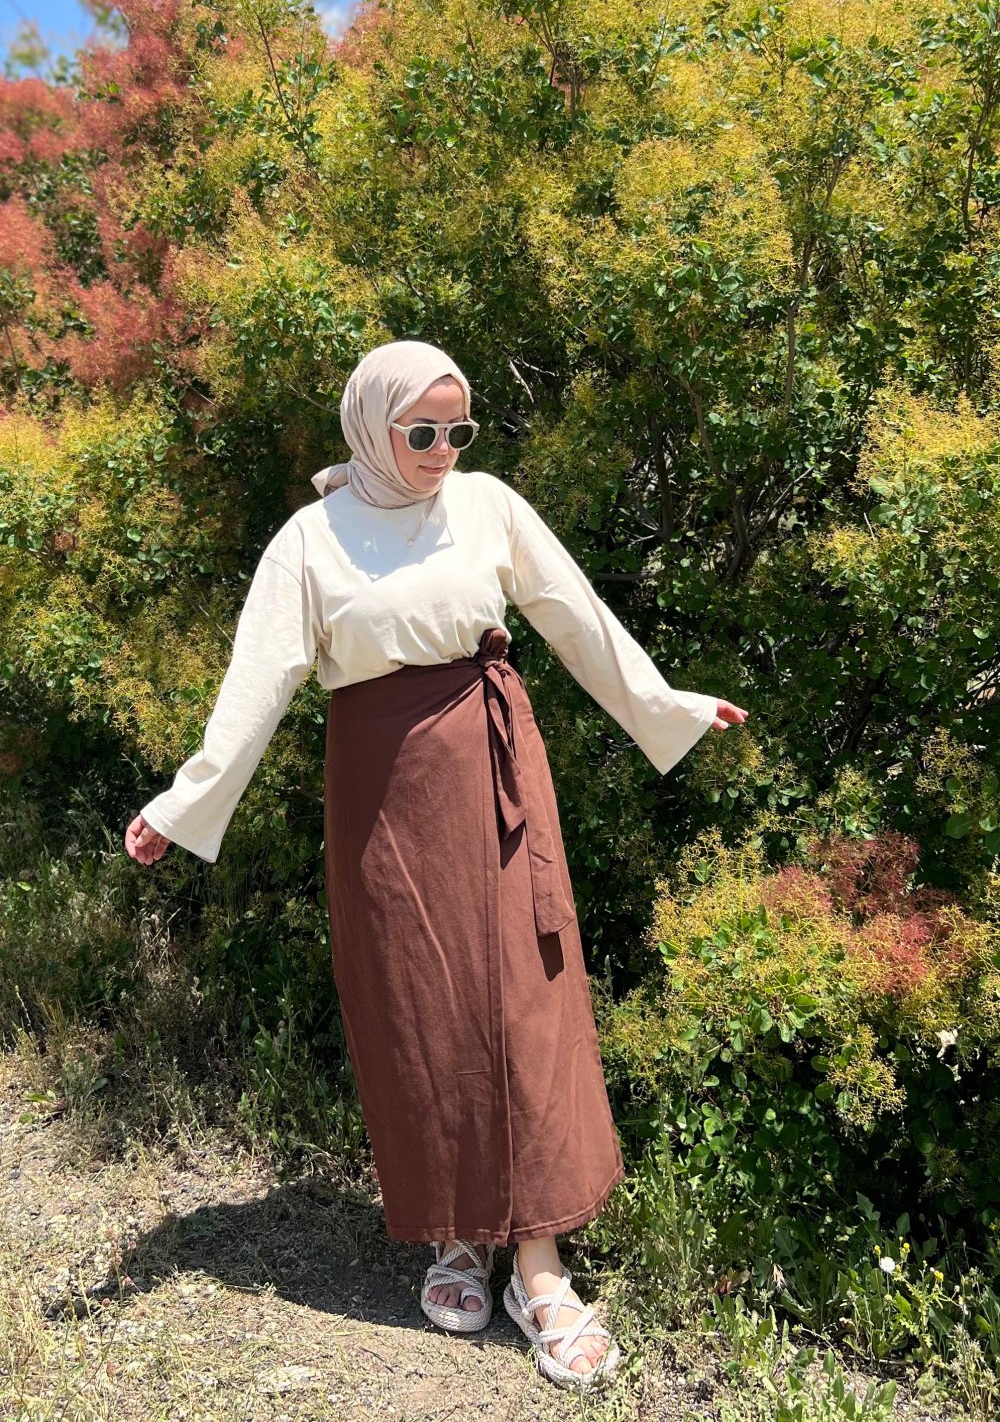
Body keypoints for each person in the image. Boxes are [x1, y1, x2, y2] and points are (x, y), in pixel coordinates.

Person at [124, 338, 748, 1390]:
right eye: (423, 430)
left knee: (523, 1000)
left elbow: (575, 616)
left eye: (459, 428)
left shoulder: (488, 504)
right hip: (382, 796)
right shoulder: (311, 541)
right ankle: (459, 1235)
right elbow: (256, 684)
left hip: (496, 774)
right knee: (422, 1008)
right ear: (372, 427)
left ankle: (541, 1270)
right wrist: (182, 804)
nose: (444, 448)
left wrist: (666, 704)